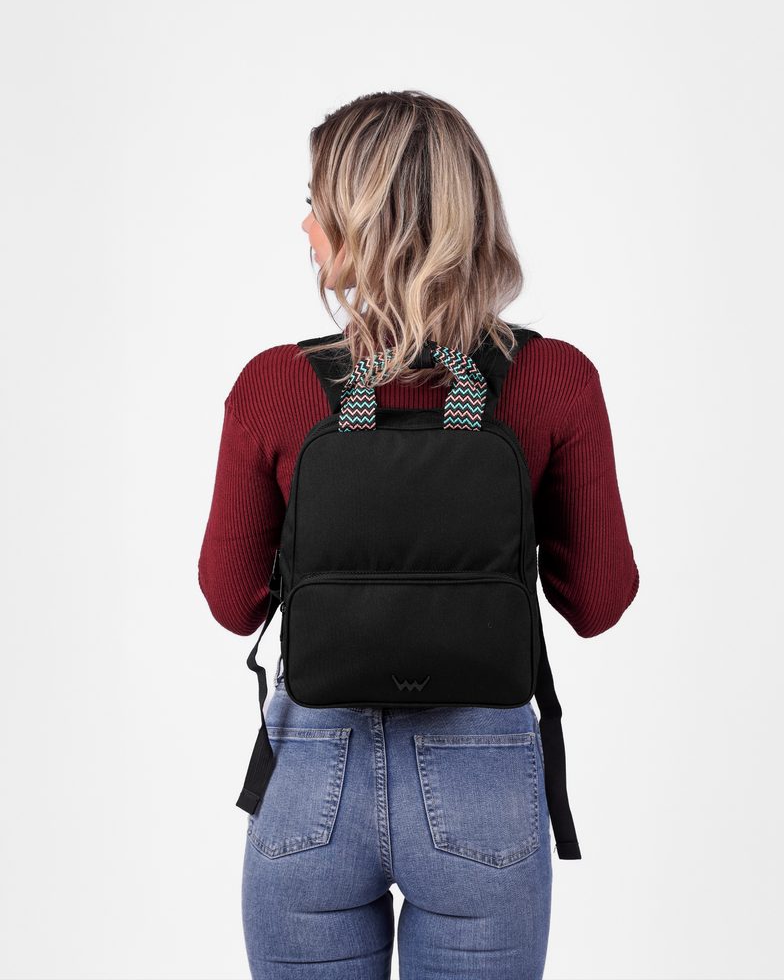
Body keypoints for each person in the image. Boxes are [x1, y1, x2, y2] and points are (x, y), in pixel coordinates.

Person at [198, 89, 639, 980]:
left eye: (317, 203)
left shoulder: (275, 387)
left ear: (360, 225)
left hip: (311, 779)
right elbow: (597, 602)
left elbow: (230, 599)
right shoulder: (553, 379)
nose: (304, 225)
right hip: (483, 783)